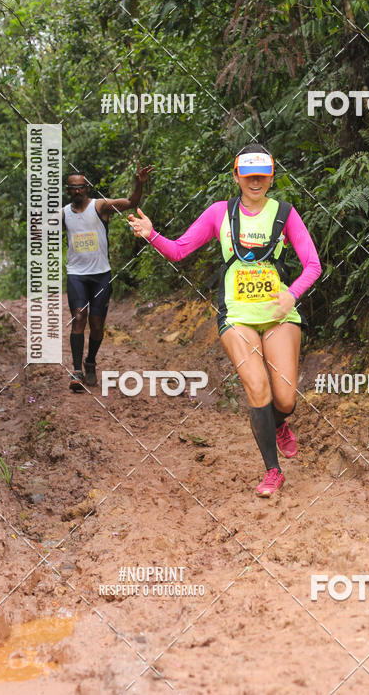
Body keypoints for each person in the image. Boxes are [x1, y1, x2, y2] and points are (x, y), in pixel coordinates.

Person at [127, 145, 321, 497]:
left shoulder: (285, 213)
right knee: (257, 387)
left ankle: (278, 422)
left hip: (279, 315)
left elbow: (313, 265)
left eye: (262, 176)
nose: (255, 182)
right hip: (237, 316)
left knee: (285, 399)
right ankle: (272, 471)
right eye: (248, 176)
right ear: (236, 177)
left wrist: (292, 295)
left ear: (271, 177)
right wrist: (151, 234)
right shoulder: (220, 213)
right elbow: (179, 250)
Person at [63, 162, 153, 391]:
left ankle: (90, 361)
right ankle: (76, 371)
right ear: (68, 190)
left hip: (101, 276)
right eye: (73, 188)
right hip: (76, 275)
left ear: (87, 188)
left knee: (96, 324)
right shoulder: (63, 214)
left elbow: (131, 202)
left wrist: (139, 183)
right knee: (79, 317)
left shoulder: (100, 207)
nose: (77, 191)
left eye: (81, 187)